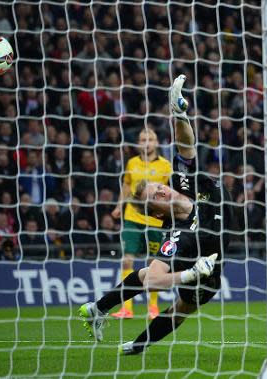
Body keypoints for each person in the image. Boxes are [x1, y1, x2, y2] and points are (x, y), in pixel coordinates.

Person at [78, 75, 234, 354]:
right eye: (155, 196)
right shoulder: (177, 235)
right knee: (182, 306)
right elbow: (153, 280)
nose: (162, 191)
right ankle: (137, 344)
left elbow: (186, 145)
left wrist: (180, 116)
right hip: (204, 265)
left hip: (224, 233)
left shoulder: (184, 181)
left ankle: (98, 308)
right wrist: (189, 274)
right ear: (154, 211)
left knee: (166, 293)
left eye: (159, 187)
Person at [109, 127, 172, 320]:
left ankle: (152, 307)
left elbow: (170, 192)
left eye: (150, 139)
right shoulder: (132, 163)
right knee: (127, 259)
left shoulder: (165, 165)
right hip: (132, 218)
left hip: (155, 220)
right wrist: (119, 205)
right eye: (142, 139)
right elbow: (127, 185)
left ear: (156, 143)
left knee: (154, 263)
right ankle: (126, 308)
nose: (146, 143)